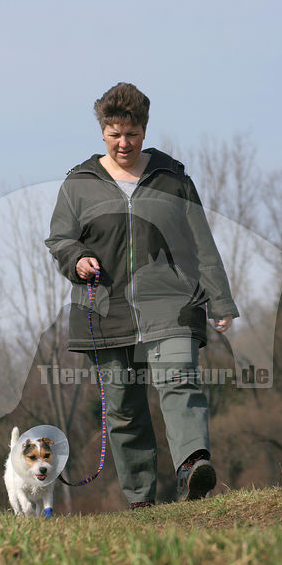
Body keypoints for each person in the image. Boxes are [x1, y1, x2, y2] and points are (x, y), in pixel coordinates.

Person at [45, 83, 239, 509]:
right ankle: (141, 501)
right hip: (106, 310)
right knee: (124, 407)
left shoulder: (172, 178)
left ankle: (193, 467)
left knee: (179, 382)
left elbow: (201, 242)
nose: (124, 143)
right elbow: (59, 239)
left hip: (172, 303)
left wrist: (220, 300)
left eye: (131, 133)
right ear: (102, 132)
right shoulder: (79, 184)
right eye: (115, 134)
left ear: (144, 129)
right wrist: (76, 259)